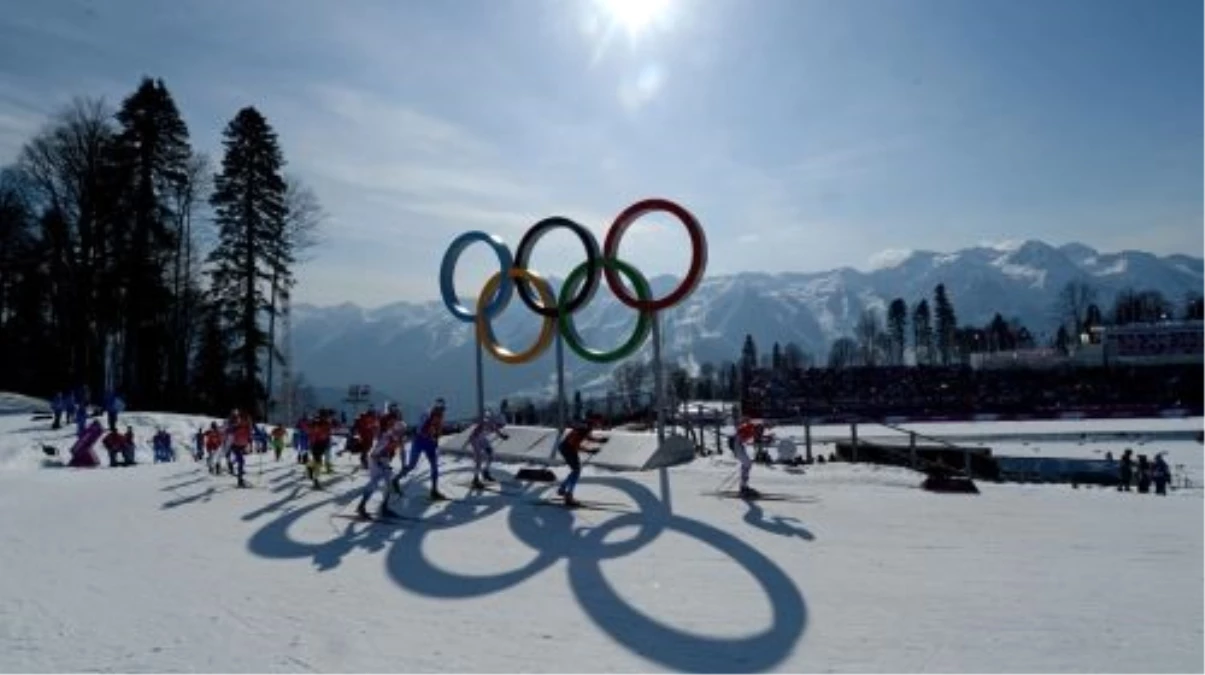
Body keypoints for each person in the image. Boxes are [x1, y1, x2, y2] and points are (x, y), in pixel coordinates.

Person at [394, 398, 447, 501]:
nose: (442, 411)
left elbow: (438, 429)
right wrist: (431, 436)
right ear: (437, 407)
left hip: (429, 444)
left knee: (434, 466)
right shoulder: (428, 414)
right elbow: (420, 430)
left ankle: (434, 490)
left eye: (443, 409)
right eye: (441, 409)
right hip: (419, 442)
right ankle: (395, 480)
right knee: (412, 466)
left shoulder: (440, 416)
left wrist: (436, 438)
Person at [354, 413, 404, 519]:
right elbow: (374, 453)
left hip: (383, 460)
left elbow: (393, 450)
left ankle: (384, 507)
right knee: (374, 483)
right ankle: (361, 506)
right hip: (375, 460)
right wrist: (381, 464)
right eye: (400, 430)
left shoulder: (395, 437)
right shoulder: (387, 437)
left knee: (388, 484)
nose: (401, 433)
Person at [556, 417, 606, 507]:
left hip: (566, 448)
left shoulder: (585, 427)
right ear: (593, 423)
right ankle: (568, 496)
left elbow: (587, 437)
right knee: (576, 471)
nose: (596, 426)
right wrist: (589, 451)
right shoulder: (584, 429)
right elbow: (575, 445)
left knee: (575, 470)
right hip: (568, 449)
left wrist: (599, 440)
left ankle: (562, 488)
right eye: (596, 424)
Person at [468, 407, 509, 489]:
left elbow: (497, 431)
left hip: (482, 438)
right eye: (500, 425)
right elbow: (478, 430)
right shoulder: (487, 423)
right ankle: (475, 479)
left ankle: (485, 472)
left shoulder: (493, 424)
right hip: (475, 439)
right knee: (479, 460)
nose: (500, 427)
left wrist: (502, 436)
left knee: (490, 454)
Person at [731, 416, 760, 498]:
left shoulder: (750, 429)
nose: (757, 433)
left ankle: (744, 486)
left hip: (739, 447)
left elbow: (744, 435)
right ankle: (743, 487)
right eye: (758, 431)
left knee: (747, 465)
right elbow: (742, 434)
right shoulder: (750, 429)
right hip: (738, 448)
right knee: (747, 464)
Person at [306, 410, 334, 489]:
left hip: (323, 445)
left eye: (326, 416)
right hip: (315, 444)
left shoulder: (327, 423)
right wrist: (312, 425)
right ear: (321, 416)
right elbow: (309, 429)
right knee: (318, 462)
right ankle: (316, 481)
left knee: (317, 462)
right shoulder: (316, 422)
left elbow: (329, 432)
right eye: (324, 416)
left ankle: (309, 467)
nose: (326, 418)